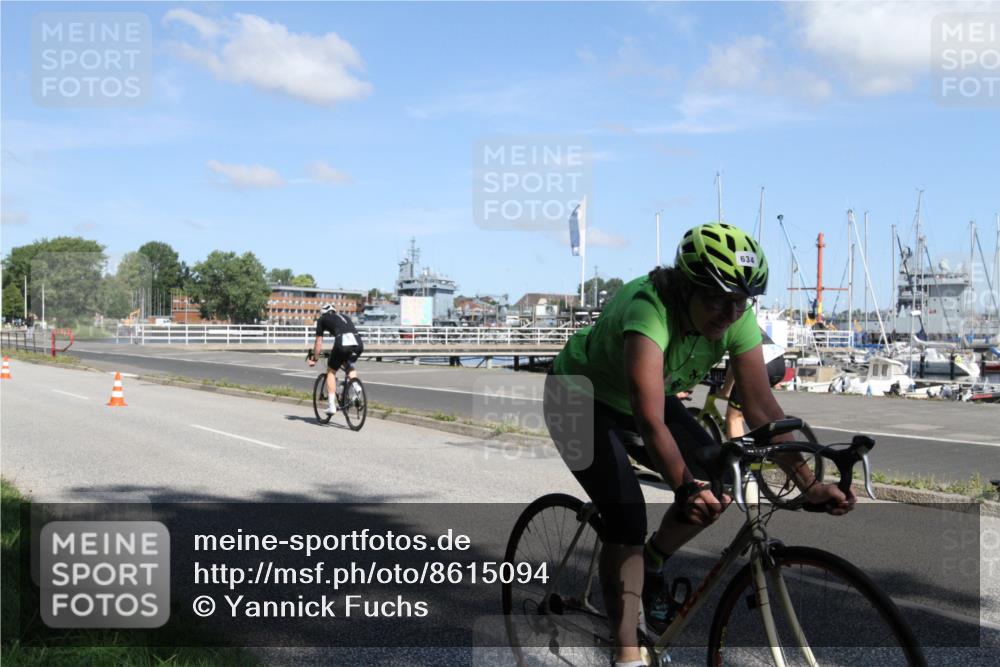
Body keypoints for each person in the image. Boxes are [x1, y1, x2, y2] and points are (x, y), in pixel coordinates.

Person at [543, 223, 854, 667]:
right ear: (687, 285)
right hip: (576, 399)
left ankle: (651, 563)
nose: (729, 314)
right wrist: (685, 486)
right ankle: (626, 654)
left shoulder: (735, 319)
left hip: (645, 401)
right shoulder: (648, 308)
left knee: (723, 480)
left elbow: (762, 408)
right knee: (627, 516)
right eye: (717, 298)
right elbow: (649, 417)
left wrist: (807, 483)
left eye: (740, 301)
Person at [718, 330, 787, 438]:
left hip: (763, 363)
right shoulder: (747, 322)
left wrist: (725, 390)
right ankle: (773, 448)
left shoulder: (730, 326)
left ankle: (740, 454)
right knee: (760, 413)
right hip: (779, 364)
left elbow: (735, 364)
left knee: (734, 417)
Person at [307, 304, 364, 415]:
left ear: (322, 313)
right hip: (358, 343)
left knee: (331, 371)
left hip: (342, 342)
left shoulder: (322, 319)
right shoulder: (344, 316)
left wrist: (314, 358)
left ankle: (331, 406)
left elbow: (318, 342)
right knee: (348, 364)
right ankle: (357, 388)